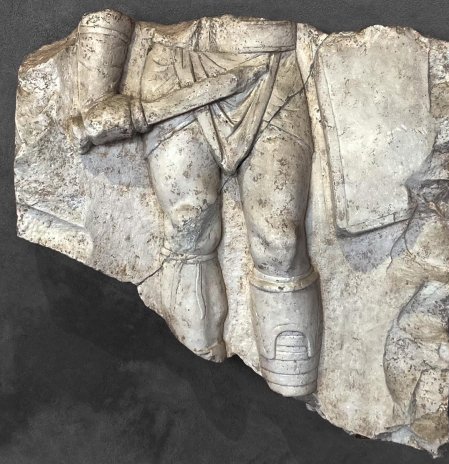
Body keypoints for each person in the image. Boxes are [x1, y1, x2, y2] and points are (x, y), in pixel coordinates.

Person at [72, 10, 321, 397]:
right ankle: (199, 343)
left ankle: (291, 371)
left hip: (269, 66)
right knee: (190, 225)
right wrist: (96, 94)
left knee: (280, 239)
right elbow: (95, 79)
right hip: (173, 71)